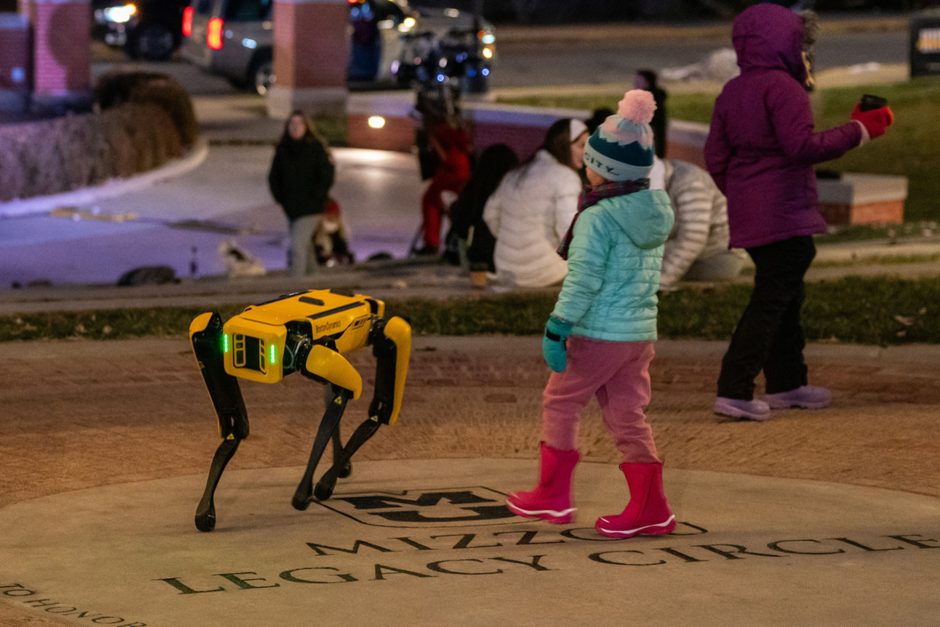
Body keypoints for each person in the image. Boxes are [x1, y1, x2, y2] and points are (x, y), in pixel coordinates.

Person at [705, 3, 894, 421]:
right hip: (784, 211)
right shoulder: (783, 87)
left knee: (786, 294)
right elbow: (802, 147)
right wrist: (862, 129)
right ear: (785, 44)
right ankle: (734, 388)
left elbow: (716, 157)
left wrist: (743, 195)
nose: (806, 53)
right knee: (773, 297)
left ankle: (787, 382)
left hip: (755, 213)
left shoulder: (733, 91)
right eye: (802, 44)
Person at [506, 90, 677, 539]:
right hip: (638, 334)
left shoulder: (598, 218)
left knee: (561, 401)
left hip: (599, 331)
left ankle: (553, 496)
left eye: (591, 159)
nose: (585, 163)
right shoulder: (651, 209)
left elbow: (583, 280)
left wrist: (558, 326)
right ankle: (651, 507)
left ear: (605, 168)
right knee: (627, 416)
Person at [482, 118, 588, 288]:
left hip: (507, 269)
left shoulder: (516, 174)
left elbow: (490, 214)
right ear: (563, 145)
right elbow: (568, 232)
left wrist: (514, 242)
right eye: (581, 146)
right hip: (546, 273)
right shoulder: (565, 177)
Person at [650, 156, 745, 290]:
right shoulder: (661, 177)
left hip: (716, 256)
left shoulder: (690, 182)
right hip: (685, 250)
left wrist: (659, 283)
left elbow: (693, 237)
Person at [268, 110, 335, 277]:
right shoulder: (283, 149)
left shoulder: (315, 147)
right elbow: (274, 176)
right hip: (292, 208)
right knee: (306, 247)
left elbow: (327, 174)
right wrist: (280, 197)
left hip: (311, 208)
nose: (295, 127)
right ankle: (313, 281)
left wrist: (318, 195)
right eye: (292, 124)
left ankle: (295, 287)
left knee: (297, 246)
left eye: (299, 124)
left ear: (306, 127)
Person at [446, 143, 519, 282]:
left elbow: (461, 225)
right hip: (501, 259)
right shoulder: (510, 193)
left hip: (472, 258)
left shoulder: (472, 189)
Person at [415, 120, 473, 256]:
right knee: (432, 202)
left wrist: (435, 142)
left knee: (437, 203)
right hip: (448, 177)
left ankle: (436, 242)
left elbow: (450, 160)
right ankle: (433, 242)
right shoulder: (453, 133)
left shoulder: (451, 140)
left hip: (452, 178)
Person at [634, 69, 668, 158]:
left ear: (647, 82)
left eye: (638, 81)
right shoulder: (656, 96)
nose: (635, 83)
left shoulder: (648, 98)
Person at [313, 198, 354, 267]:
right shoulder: (316, 233)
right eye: (329, 215)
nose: (332, 217)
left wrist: (338, 256)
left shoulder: (340, 232)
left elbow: (343, 250)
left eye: (334, 215)